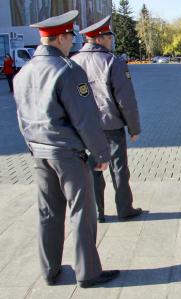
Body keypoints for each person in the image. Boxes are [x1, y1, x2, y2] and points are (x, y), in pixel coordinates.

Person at [13, 10, 119, 288]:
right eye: (70, 35)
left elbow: (22, 119)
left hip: (40, 152)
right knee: (82, 212)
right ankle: (88, 273)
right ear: (60, 37)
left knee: (48, 213)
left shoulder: (23, 72)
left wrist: (33, 147)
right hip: (67, 155)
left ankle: (50, 270)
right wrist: (101, 155)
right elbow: (86, 120)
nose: (72, 41)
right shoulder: (68, 70)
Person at [72, 15, 143, 223]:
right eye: (110, 37)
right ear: (100, 38)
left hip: (84, 129)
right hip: (111, 125)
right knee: (118, 168)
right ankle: (124, 209)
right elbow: (125, 100)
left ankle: (97, 212)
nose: (112, 41)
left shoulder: (72, 62)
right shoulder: (112, 62)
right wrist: (134, 128)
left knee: (92, 170)